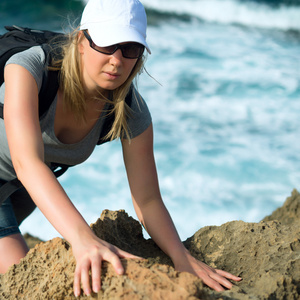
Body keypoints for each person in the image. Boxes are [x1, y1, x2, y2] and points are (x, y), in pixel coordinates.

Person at [0, 0, 241, 296]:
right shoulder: (29, 69)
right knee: (20, 279)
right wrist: (83, 238)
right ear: (82, 41)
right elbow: (28, 162)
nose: (117, 60)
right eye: (107, 44)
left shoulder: (129, 110)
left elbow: (148, 199)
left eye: (130, 48)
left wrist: (182, 257)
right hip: (26, 174)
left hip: (23, 189)